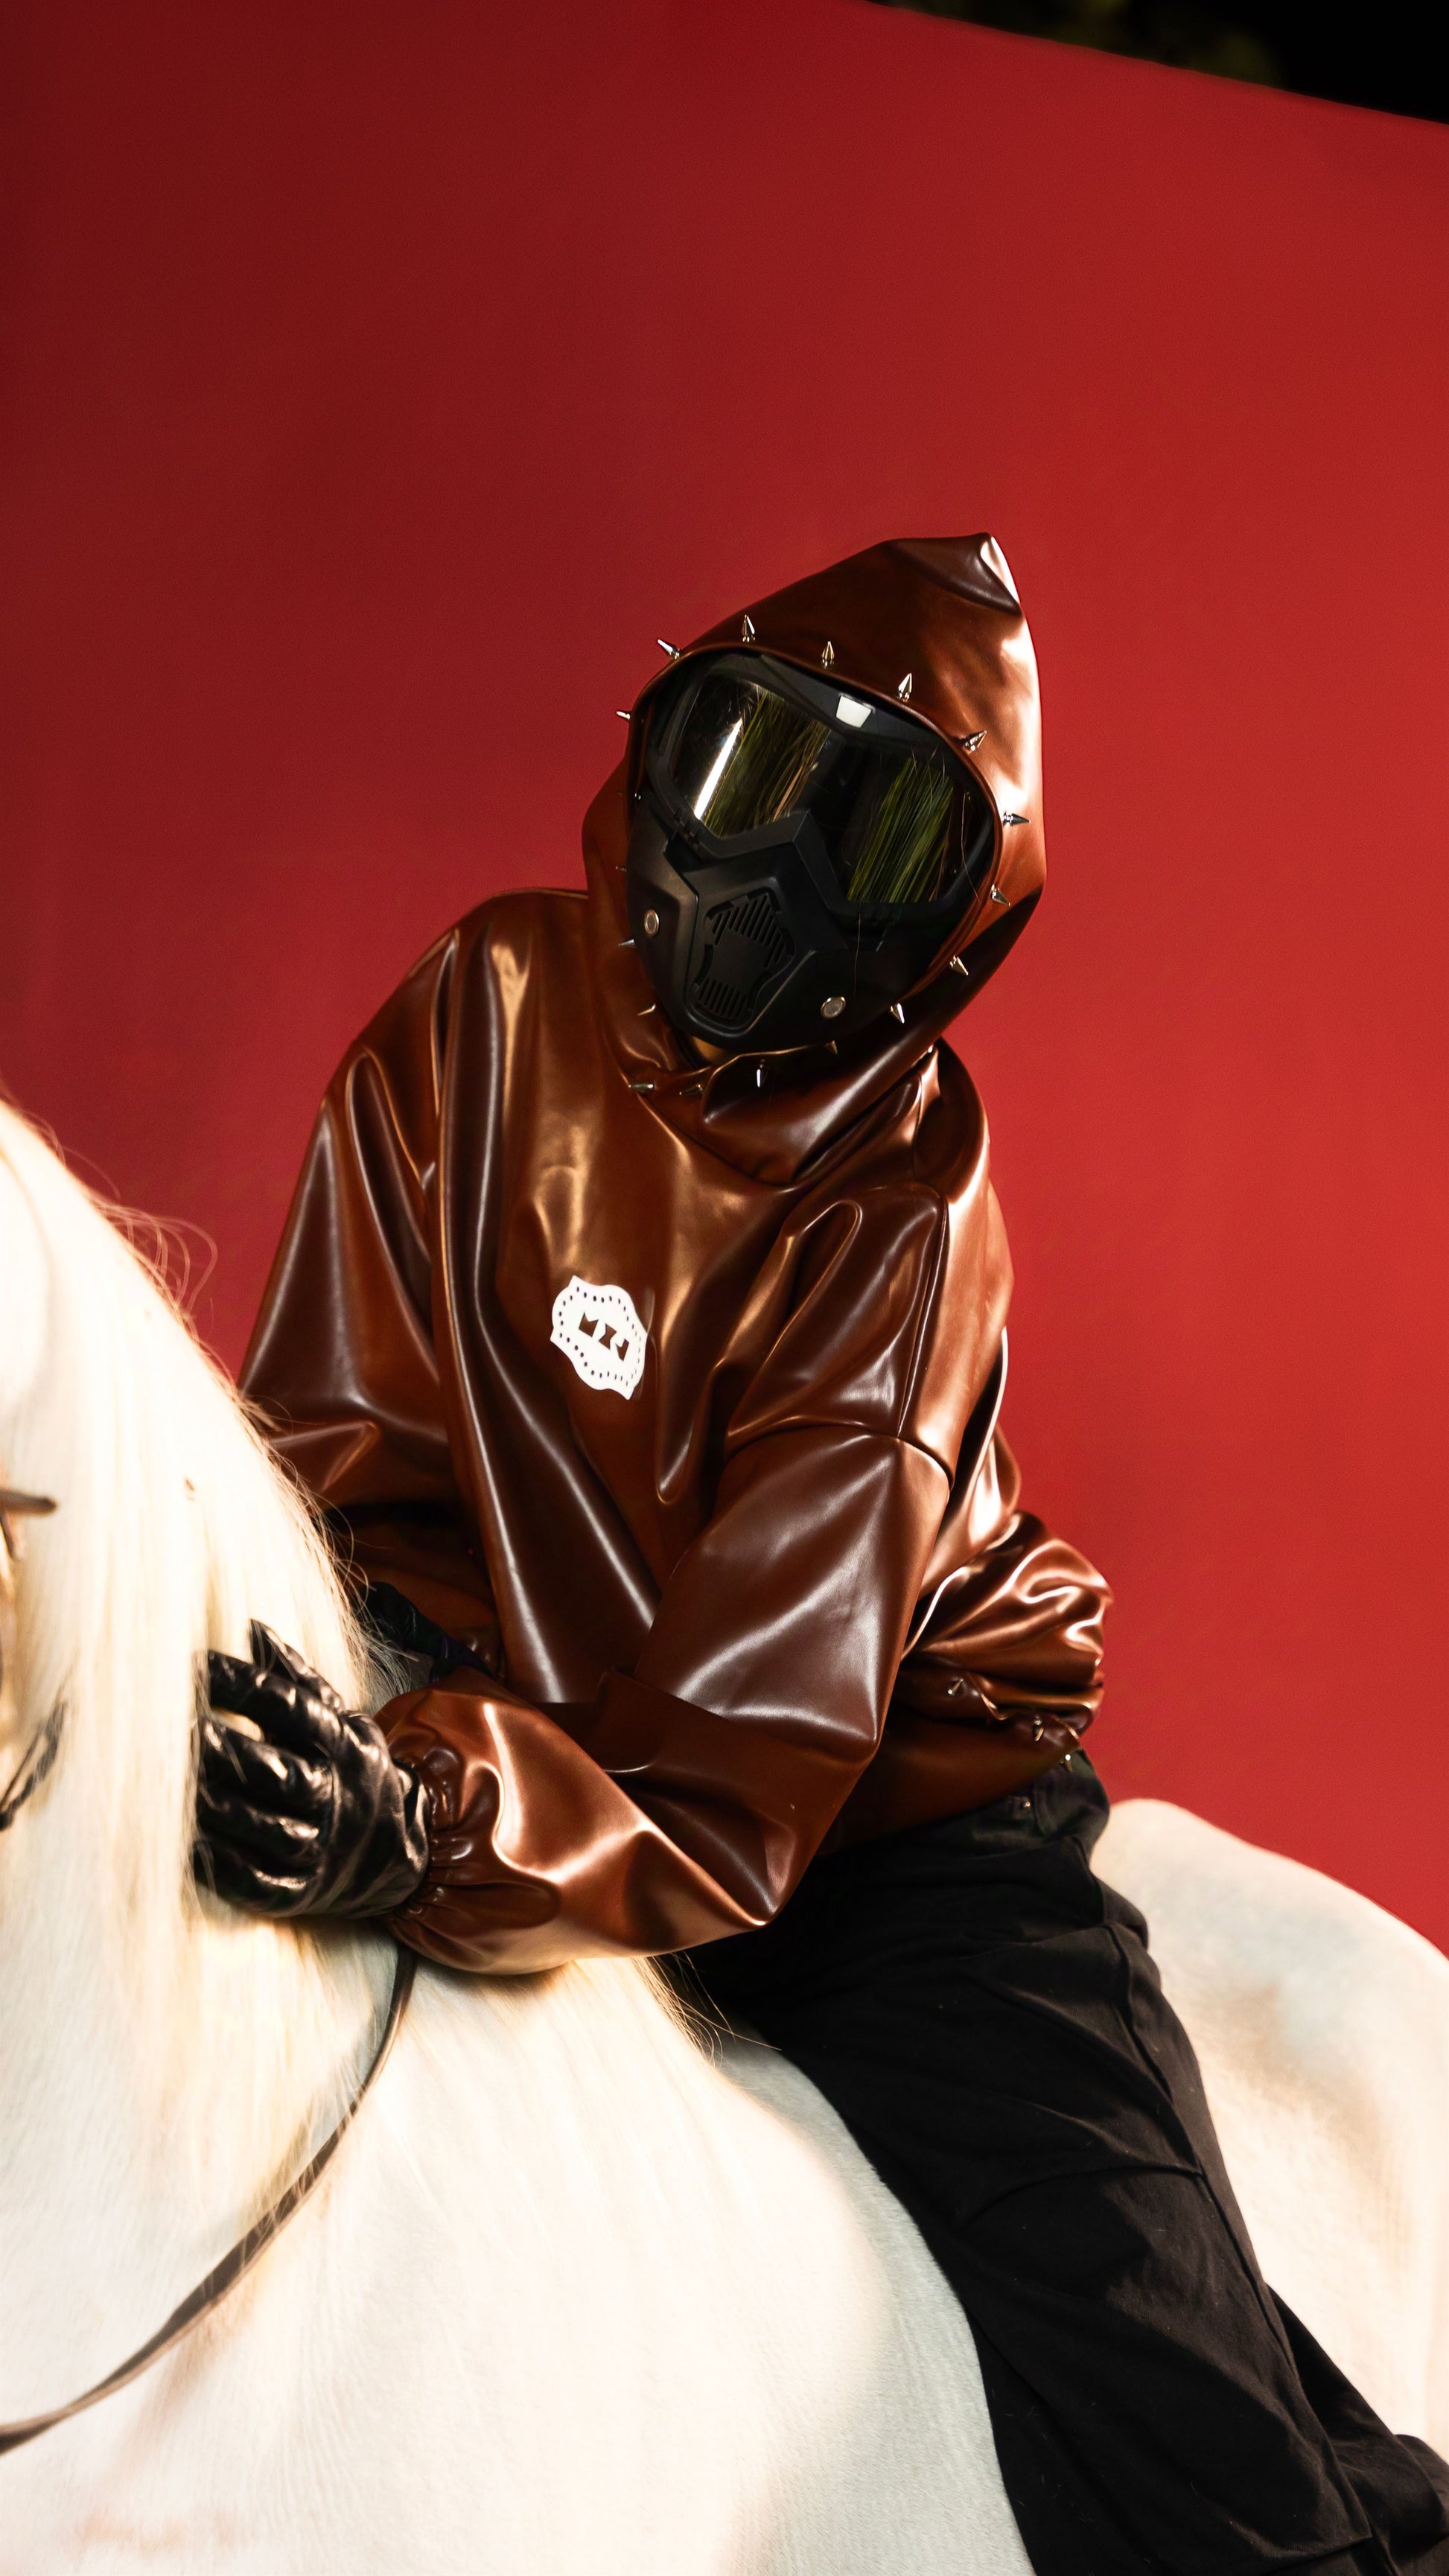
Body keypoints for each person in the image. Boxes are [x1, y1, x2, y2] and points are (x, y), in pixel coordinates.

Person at [196, 535, 1449, 2575]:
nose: (764, 873)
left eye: (865, 835)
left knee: (1164, 2400)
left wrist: (417, 1827)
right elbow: (335, 1468)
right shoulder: (484, 1006)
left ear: (952, 930)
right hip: (512, 1734)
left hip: (882, 1841)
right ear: (658, 744)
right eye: (751, 769)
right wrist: (317, 1719)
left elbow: (741, 1771)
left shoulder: (903, 1197)